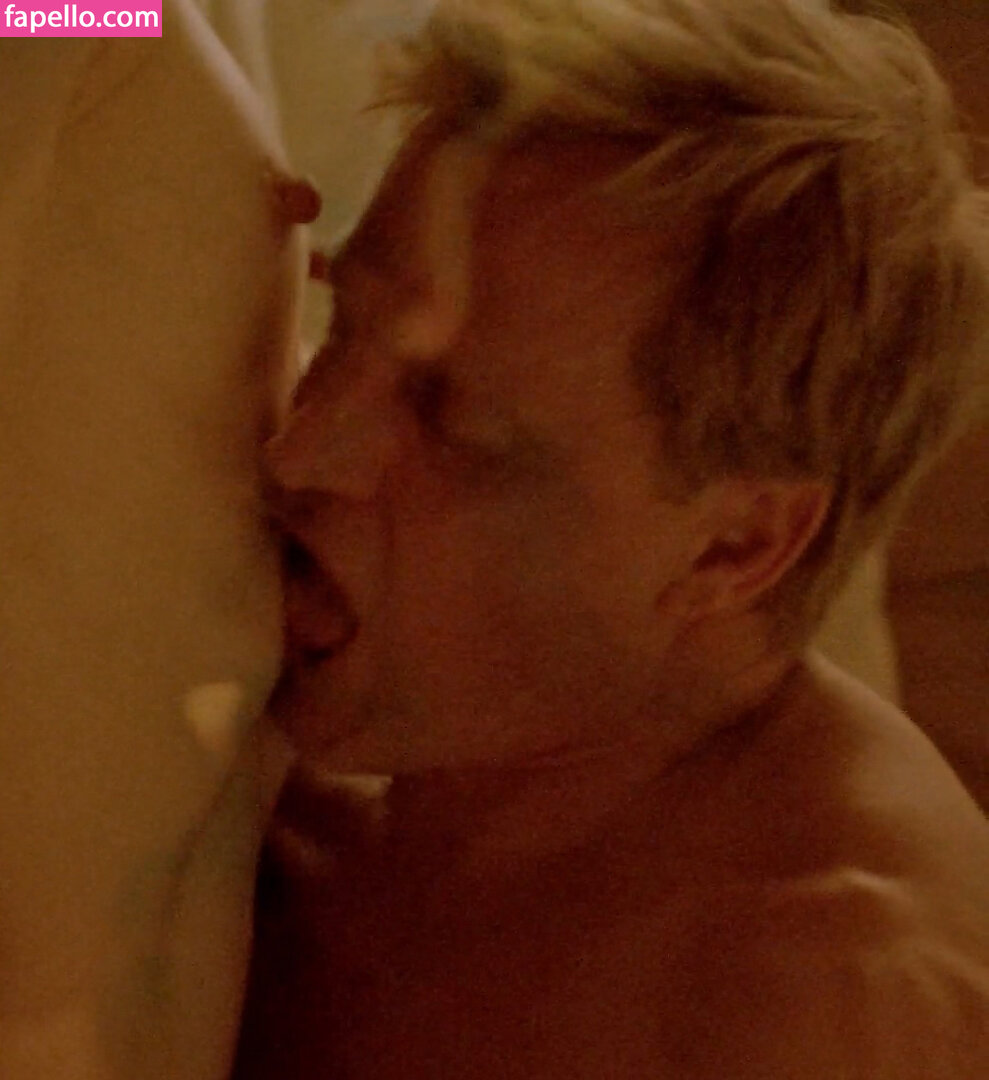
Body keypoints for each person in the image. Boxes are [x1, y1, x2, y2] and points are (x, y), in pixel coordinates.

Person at [235, 1, 989, 1077]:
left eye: (453, 426)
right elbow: (62, 23)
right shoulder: (338, 738)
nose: (300, 453)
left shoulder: (823, 1003)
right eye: (345, 324)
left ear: (733, 549)